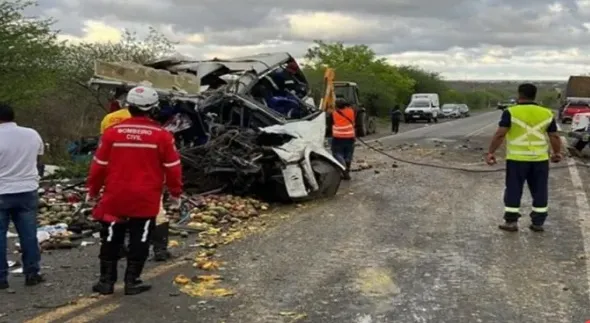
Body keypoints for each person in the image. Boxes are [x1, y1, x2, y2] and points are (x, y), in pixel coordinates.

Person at [87, 86, 183, 295]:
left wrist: (92, 191)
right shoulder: (162, 136)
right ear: (154, 108)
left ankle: (106, 282)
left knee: (111, 238)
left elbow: (98, 166)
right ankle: (132, 282)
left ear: (128, 107)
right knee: (141, 237)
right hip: (146, 198)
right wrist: (176, 194)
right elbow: (173, 169)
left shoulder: (112, 134)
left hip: (114, 197)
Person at [99, 90, 173, 262]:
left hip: (116, 178)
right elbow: (169, 162)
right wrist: (174, 189)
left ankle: (117, 250)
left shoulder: (109, 120)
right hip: (146, 180)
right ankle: (158, 250)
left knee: (117, 215)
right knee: (157, 214)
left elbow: (102, 150)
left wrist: (95, 185)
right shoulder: (156, 129)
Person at [486, 83, 562, 232]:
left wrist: (491, 152)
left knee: (514, 189)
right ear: (535, 95)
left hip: (517, 159)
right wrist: (556, 153)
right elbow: (554, 135)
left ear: (519, 94)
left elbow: (500, 134)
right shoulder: (546, 113)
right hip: (540, 159)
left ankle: (511, 222)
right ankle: (538, 223)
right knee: (540, 190)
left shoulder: (511, 112)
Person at [0, 102, 45, 290]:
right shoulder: (31, 134)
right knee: (28, 234)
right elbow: (40, 158)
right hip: (27, 189)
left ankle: (1, 278)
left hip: (1, 191)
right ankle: (32, 273)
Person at [330, 98, 356, 180]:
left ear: (336, 106)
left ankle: (344, 170)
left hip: (338, 137)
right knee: (348, 154)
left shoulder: (334, 113)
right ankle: (347, 171)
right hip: (350, 137)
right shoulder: (351, 111)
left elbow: (330, 120)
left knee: (337, 154)